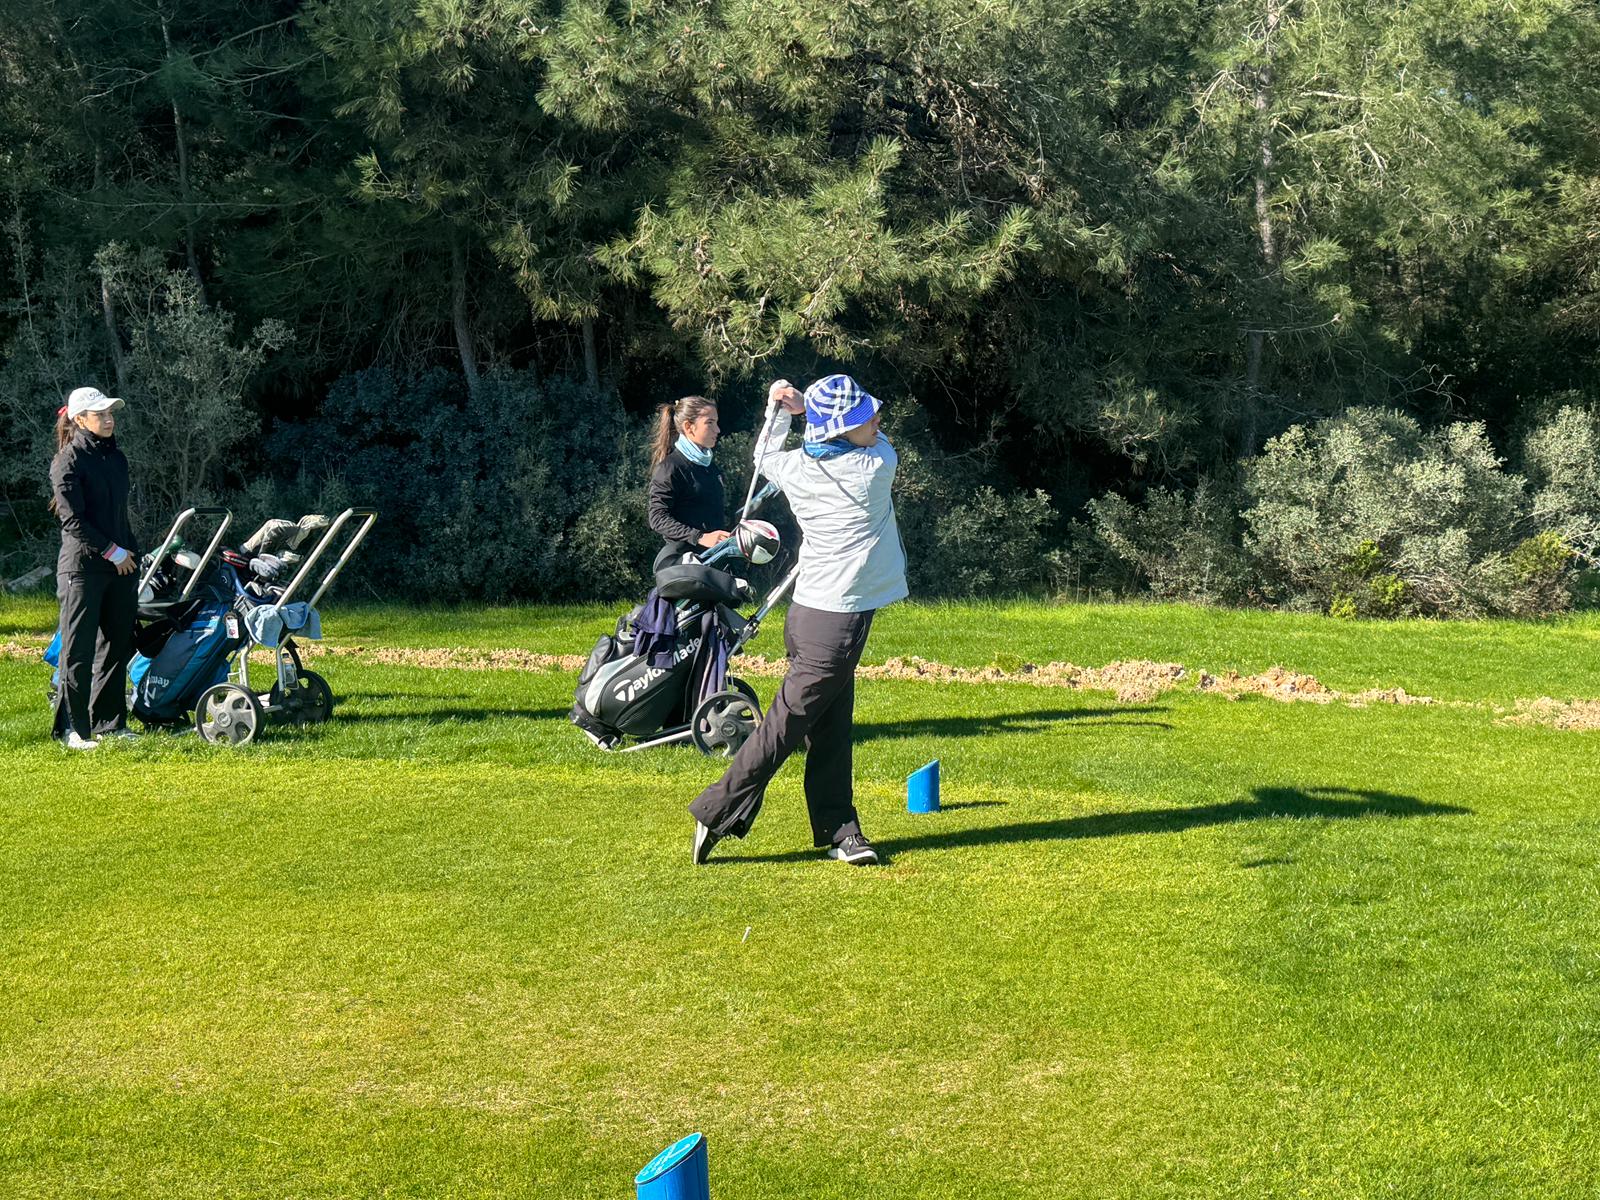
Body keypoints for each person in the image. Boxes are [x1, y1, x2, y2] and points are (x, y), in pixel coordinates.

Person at [689, 374, 908, 867]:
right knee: (783, 728)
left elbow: (764, 455)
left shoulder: (796, 466)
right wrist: (805, 408)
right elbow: (871, 442)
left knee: (831, 726)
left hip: (809, 613)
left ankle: (840, 830)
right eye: (863, 417)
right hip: (835, 624)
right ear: (838, 430)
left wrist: (788, 412)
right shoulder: (876, 465)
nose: (876, 420)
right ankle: (715, 810)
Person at [49, 385, 140, 750]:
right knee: (78, 650)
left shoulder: (116, 458)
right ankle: (72, 729)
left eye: (110, 413)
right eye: (100, 414)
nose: (108, 419)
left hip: (120, 566)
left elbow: (118, 515)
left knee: (116, 646)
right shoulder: (68, 460)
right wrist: (111, 551)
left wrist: (130, 552)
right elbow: (73, 520)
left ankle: (110, 724)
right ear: (80, 419)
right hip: (82, 569)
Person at [648, 395, 732, 569]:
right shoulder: (670, 467)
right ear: (688, 427)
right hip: (686, 566)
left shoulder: (710, 467)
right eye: (710, 423)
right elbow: (657, 517)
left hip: (714, 561)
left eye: (716, 423)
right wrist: (700, 537)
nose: (717, 430)